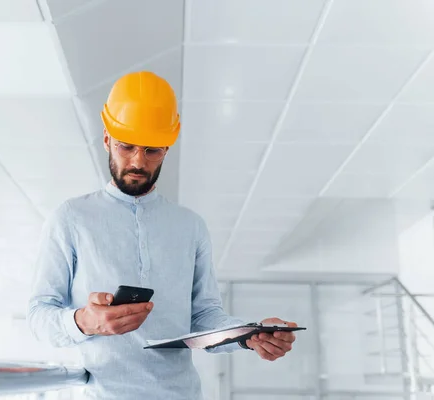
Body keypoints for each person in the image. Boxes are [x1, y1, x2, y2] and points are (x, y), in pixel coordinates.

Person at [27, 71, 298, 399]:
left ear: (168, 147)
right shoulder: (70, 218)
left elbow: (204, 317)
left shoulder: (191, 227)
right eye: (127, 147)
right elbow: (40, 315)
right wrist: (84, 321)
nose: (138, 161)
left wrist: (247, 335)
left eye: (153, 150)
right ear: (107, 140)